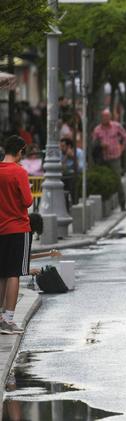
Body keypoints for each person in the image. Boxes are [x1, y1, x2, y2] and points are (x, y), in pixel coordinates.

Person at [0, 136, 33, 335]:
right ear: (20, 151)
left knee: (1, 274)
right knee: (14, 274)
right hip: (17, 228)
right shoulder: (19, 172)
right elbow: (28, 201)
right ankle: (9, 319)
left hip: (0, 228)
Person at [92, 109, 126, 209]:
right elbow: (94, 144)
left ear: (110, 117)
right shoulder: (97, 130)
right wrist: (100, 145)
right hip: (103, 158)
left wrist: (121, 148)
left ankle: (122, 203)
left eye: (107, 116)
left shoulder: (116, 126)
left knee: (117, 179)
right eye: (104, 117)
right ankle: (105, 205)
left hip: (115, 157)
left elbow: (125, 137)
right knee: (104, 180)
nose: (105, 119)